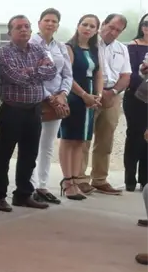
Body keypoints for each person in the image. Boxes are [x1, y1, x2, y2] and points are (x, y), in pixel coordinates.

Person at [0, 15, 57, 211]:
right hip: (12, 110)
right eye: (18, 27)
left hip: (34, 110)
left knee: (29, 154)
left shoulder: (38, 48)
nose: (24, 30)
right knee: (4, 154)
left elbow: (52, 71)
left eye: (27, 26)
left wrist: (30, 71)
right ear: (10, 32)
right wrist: (36, 71)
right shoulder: (4, 52)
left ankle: (23, 194)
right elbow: (17, 77)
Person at [78, 13, 131, 195]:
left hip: (112, 96)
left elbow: (126, 75)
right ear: (103, 25)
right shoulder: (90, 44)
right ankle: (79, 178)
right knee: (83, 138)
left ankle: (100, 179)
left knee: (105, 140)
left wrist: (113, 92)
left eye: (118, 30)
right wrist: (97, 94)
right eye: (111, 27)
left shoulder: (122, 49)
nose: (113, 32)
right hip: (91, 95)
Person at [29, 8, 72, 206]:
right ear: (39, 22)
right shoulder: (30, 44)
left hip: (57, 101)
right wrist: (49, 97)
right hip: (36, 100)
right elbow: (32, 75)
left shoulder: (61, 47)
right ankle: (29, 185)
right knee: (31, 145)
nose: (50, 24)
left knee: (47, 146)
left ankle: (42, 186)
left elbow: (68, 74)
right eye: (47, 20)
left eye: (54, 21)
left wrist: (62, 94)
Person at [58, 15, 102, 200]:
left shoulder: (94, 49)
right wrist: (84, 95)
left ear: (96, 30)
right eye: (84, 24)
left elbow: (99, 74)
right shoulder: (69, 48)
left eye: (92, 26)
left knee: (80, 141)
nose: (87, 28)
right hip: (75, 97)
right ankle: (67, 182)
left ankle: (76, 180)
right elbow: (67, 75)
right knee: (68, 139)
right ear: (77, 26)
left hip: (91, 99)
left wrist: (97, 96)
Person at [123, 13, 148, 191]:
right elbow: (128, 73)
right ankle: (130, 177)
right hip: (135, 97)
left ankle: (145, 179)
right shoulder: (132, 47)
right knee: (135, 136)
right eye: (146, 23)